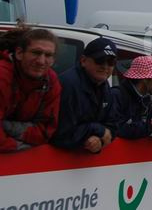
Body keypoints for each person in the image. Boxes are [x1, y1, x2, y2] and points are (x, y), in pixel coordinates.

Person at [0, 24, 62, 152]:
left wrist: (5, 126)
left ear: (53, 60)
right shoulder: (3, 76)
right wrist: (15, 146)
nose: (41, 61)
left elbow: (46, 131)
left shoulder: (51, 81)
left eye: (48, 55)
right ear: (19, 53)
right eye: (36, 52)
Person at [52, 38, 118, 153]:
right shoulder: (68, 85)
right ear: (83, 60)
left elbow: (112, 125)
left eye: (111, 62)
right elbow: (61, 134)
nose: (105, 66)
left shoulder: (104, 85)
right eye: (100, 60)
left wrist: (99, 140)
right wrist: (98, 130)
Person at [112, 55, 152, 139]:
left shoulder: (145, 99)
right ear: (145, 79)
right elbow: (115, 128)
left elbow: (149, 125)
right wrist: (151, 127)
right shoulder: (117, 95)